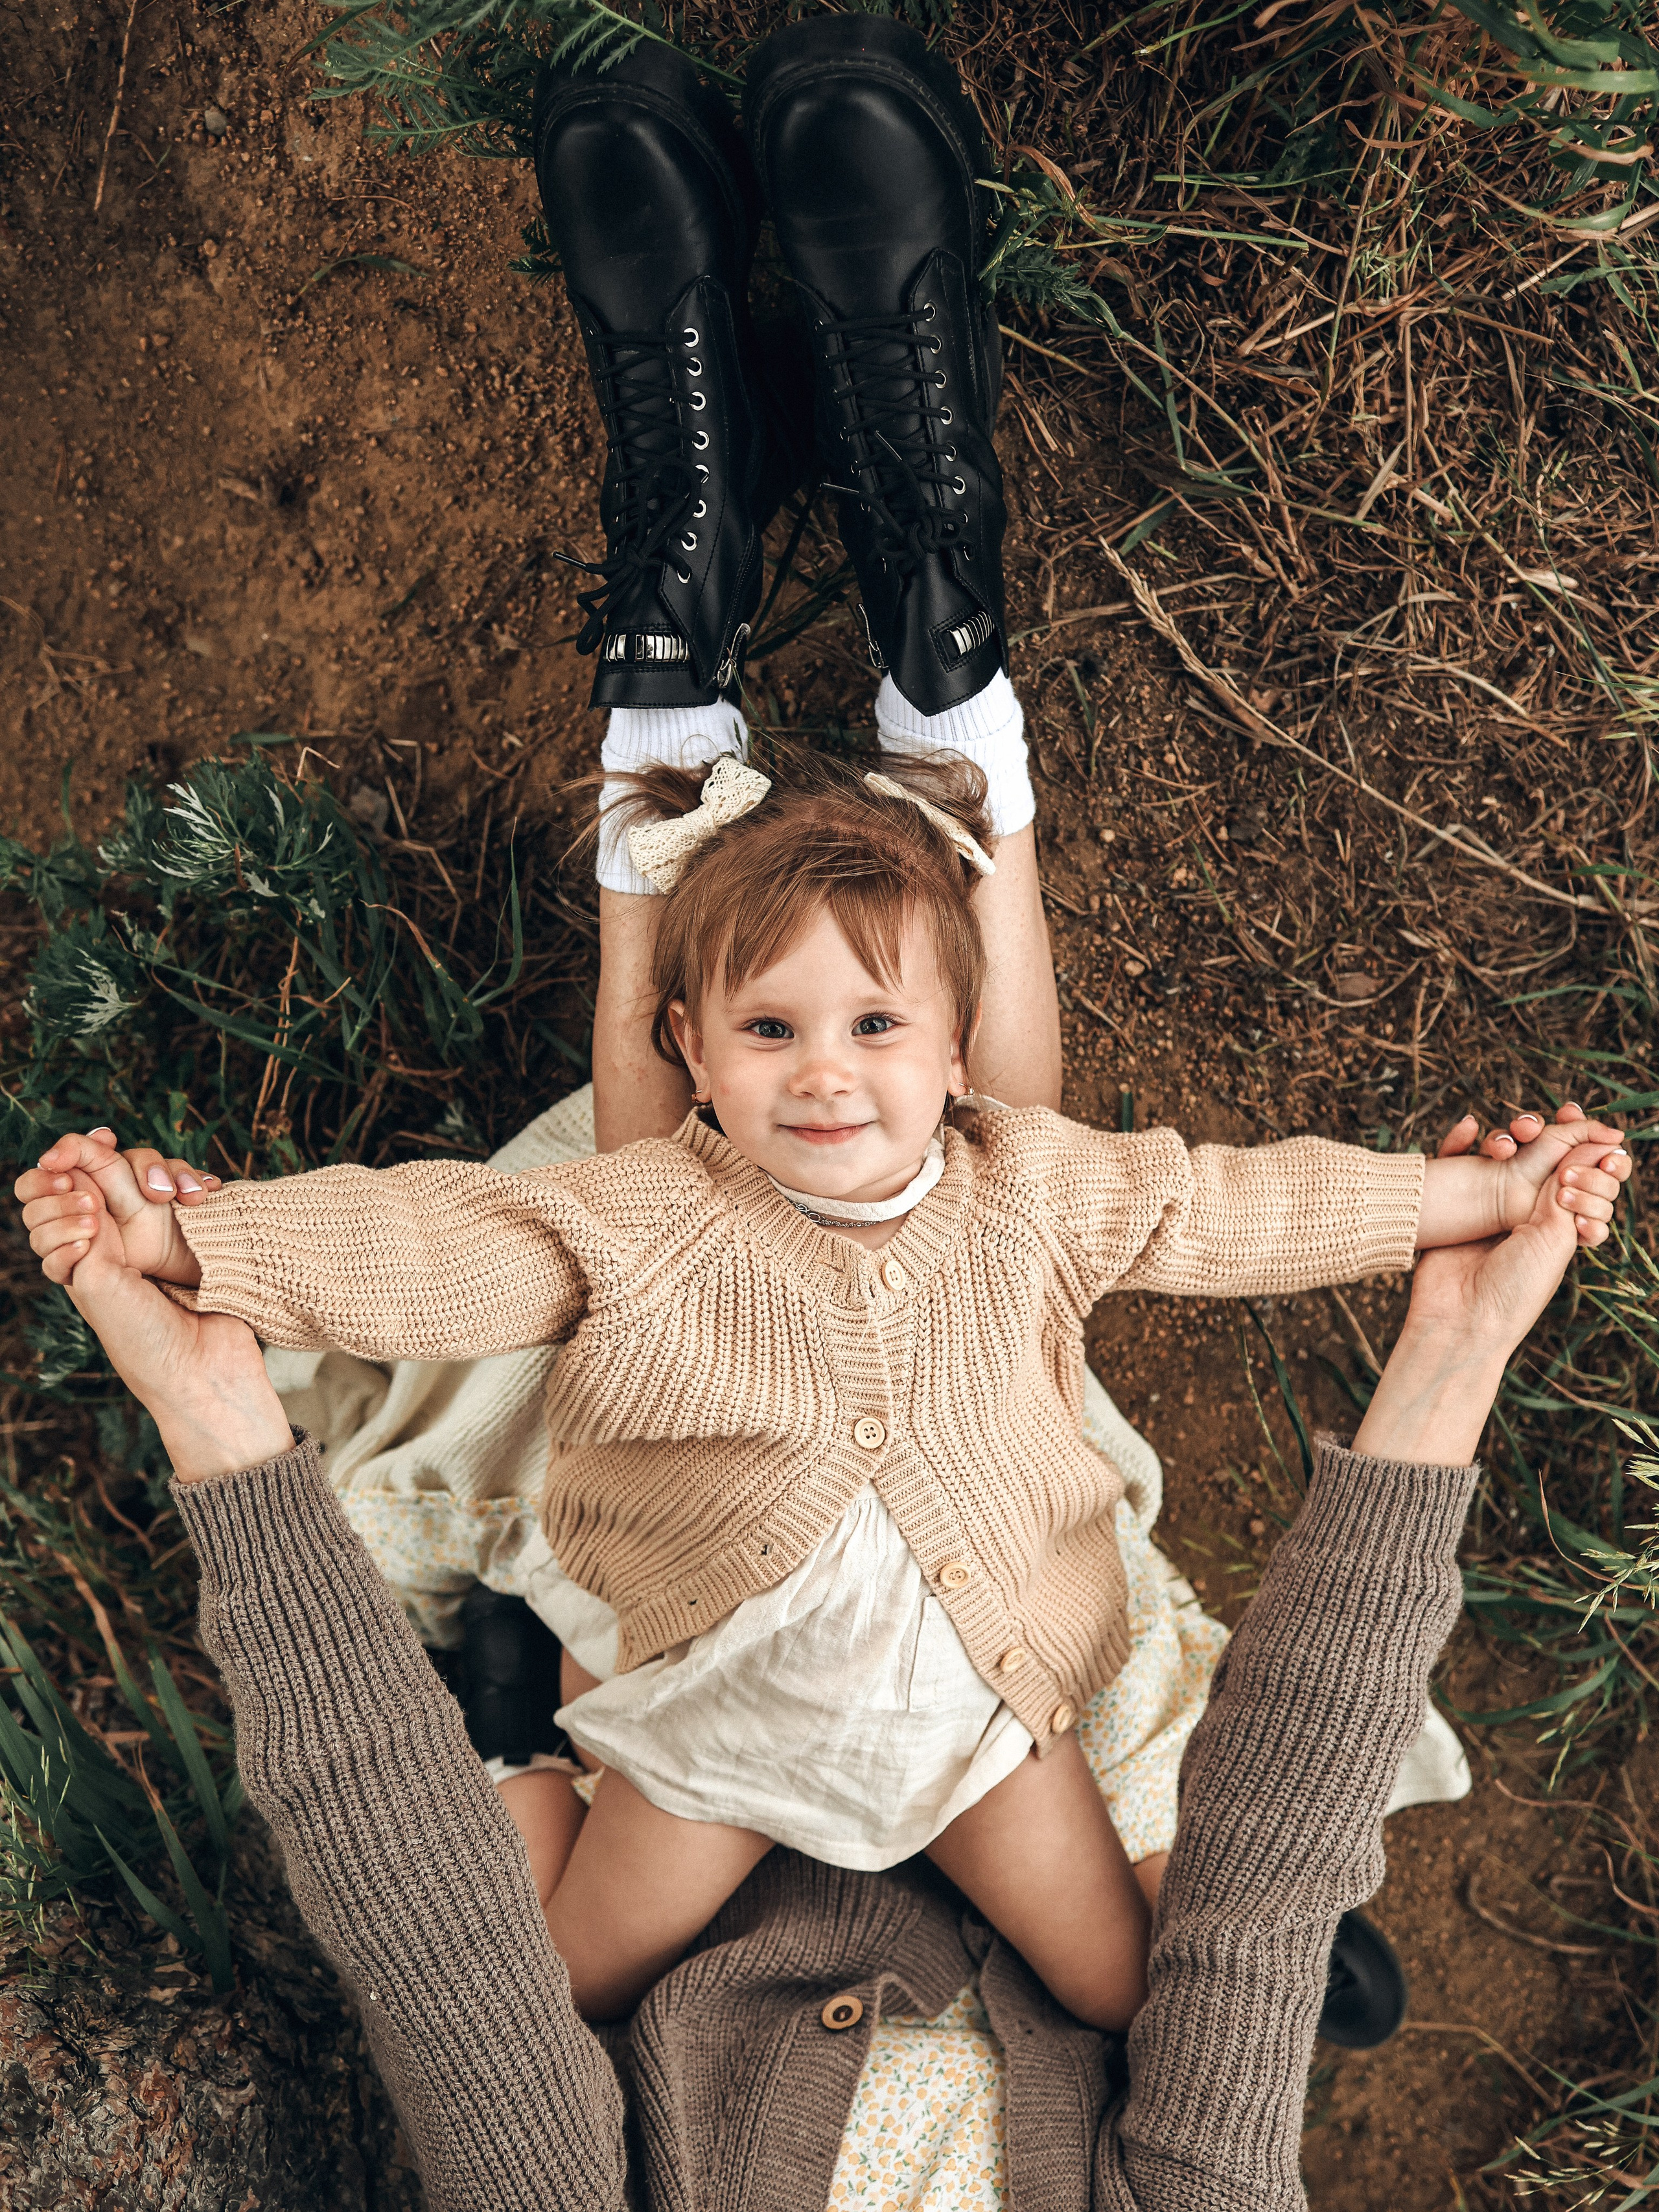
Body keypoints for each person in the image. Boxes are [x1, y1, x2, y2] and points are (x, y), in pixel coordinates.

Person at [12, 20, 1632, 2044]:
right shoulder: (660, 1206)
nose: (827, 1069)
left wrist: (1460, 1203)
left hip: (949, 1729)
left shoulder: (1015, 1173)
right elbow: (428, 1248)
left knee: (983, 1972)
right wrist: (208, 1245)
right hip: (726, 1724)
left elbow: (1238, 1209)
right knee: (728, 1957)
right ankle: (923, 623)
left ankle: (677, 615)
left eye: (872, 1026)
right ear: (701, 1053)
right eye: (771, 1032)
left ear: (946, 1050)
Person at [13, 1096, 1625, 2211]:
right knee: (971, 1299)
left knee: (636, 1300)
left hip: (693, 1717)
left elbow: (447, 1970)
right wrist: (1452, 1352)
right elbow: (1261, 1892)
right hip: (999, 1731)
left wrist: (217, 1421)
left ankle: (509, 1706)